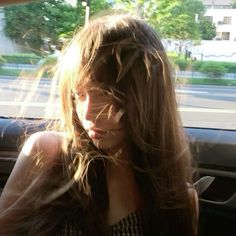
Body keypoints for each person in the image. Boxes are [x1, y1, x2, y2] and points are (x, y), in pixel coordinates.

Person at [0, 14, 198, 235]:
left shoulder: (179, 199)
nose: (88, 114)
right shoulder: (48, 153)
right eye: (78, 95)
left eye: (105, 93)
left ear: (146, 96)